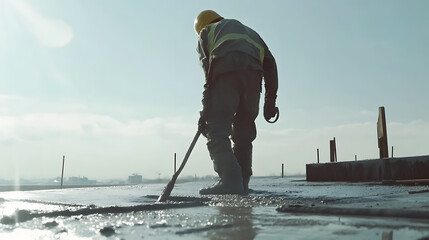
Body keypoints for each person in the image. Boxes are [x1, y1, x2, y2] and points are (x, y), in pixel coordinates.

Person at [195, 10, 279, 195]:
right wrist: (270, 100)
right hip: (253, 81)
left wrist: (205, 113)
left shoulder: (206, 32)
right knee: (243, 134)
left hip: (226, 74)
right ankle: (243, 183)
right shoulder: (252, 33)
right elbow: (271, 64)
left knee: (217, 131)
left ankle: (231, 181)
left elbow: (209, 74)